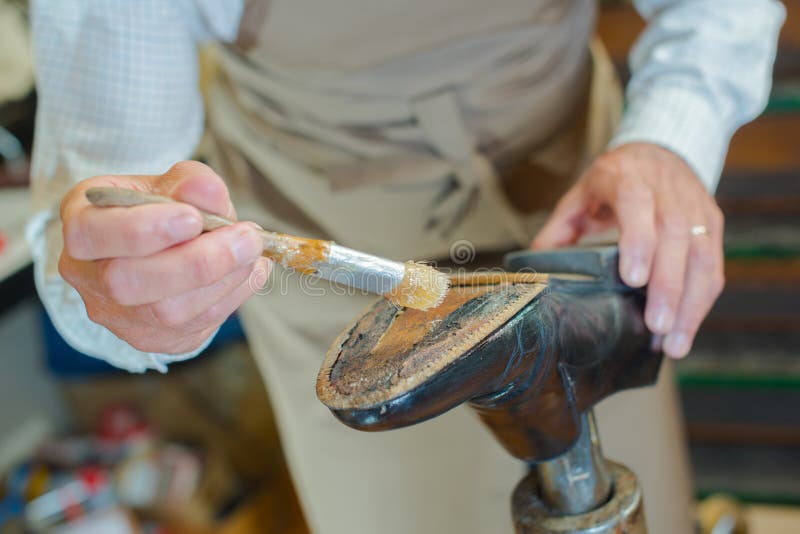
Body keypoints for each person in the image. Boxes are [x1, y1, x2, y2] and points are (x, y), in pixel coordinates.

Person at [28, 1, 784, 532]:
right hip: (334, 285)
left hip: (582, 229)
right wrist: (128, 289)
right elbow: (100, 205)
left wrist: (668, 140)